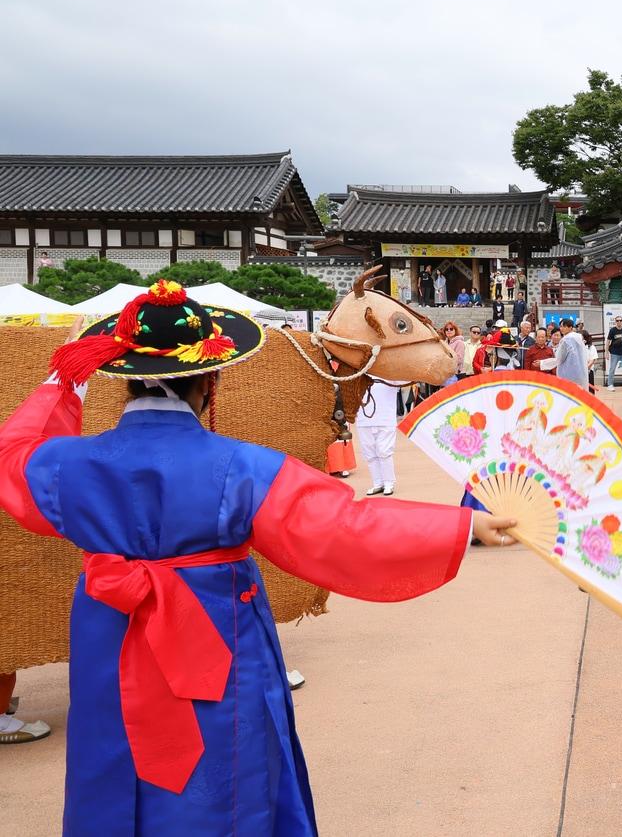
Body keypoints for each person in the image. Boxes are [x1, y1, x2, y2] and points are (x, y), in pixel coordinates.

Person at [0, 282, 516, 831]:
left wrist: (62, 383)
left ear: (124, 381)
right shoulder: (243, 466)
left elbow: (14, 454)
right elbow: (344, 529)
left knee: (112, 748)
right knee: (225, 760)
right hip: (217, 629)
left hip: (110, 628)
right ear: (209, 379)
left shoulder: (66, 465)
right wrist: (463, 525)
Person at [359, 376, 406, 496]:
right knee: (369, 454)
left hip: (385, 419)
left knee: (384, 452)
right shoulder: (360, 372)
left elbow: (406, 379)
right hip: (364, 420)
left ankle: (389, 483)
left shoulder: (390, 372)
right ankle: (377, 483)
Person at [553, 317, 589, 390]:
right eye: (560, 326)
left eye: (564, 326)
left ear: (570, 327)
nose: (561, 328)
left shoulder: (566, 340)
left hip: (568, 374)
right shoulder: (578, 337)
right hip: (580, 373)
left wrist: (542, 363)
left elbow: (560, 358)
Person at [605, 315, 622, 390]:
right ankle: (610, 385)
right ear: (615, 322)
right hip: (614, 353)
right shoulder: (612, 330)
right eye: (617, 321)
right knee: (612, 369)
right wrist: (606, 352)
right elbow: (608, 341)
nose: (619, 322)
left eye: (620, 320)